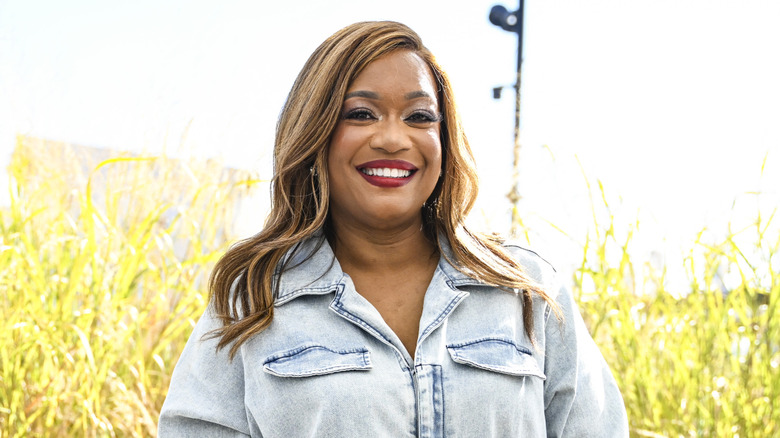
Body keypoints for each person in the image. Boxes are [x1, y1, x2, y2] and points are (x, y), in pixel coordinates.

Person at [158, 21, 629, 437]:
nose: (392, 139)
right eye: (361, 114)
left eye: (419, 117)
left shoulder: (526, 288)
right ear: (315, 131)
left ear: (443, 138)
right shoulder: (253, 297)